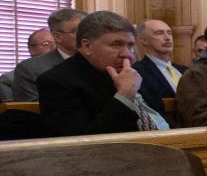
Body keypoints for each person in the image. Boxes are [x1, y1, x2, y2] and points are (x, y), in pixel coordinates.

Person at [37, 11, 170, 136]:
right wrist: (125, 95)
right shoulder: (57, 81)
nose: (127, 54)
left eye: (130, 46)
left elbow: (163, 120)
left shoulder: (137, 73)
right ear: (87, 46)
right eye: (116, 45)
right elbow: (83, 142)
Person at [12, 9, 86, 101]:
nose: (86, 36)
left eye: (89, 31)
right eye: (78, 31)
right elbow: (31, 109)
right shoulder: (31, 69)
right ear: (57, 37)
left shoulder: (99, 63)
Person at [133, 19, 186, 115]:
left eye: (169, 33)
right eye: (159, 33)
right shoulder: (137, 72)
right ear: (144, 40)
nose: (167, 38)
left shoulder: (185, 70)